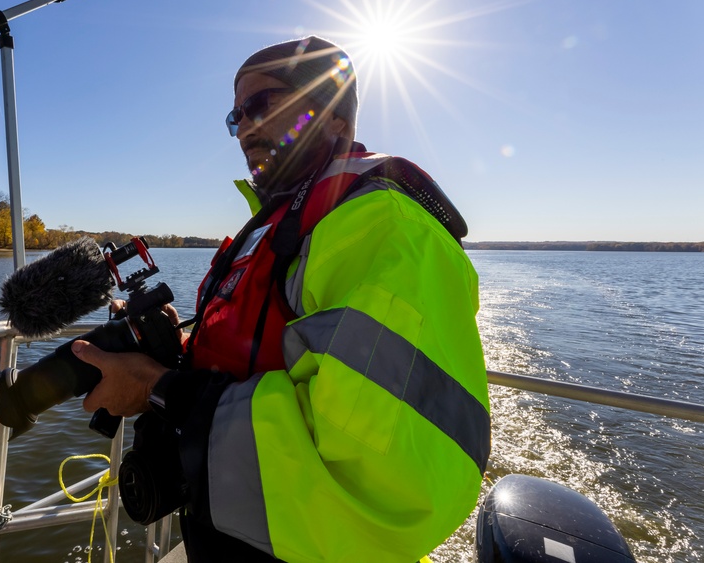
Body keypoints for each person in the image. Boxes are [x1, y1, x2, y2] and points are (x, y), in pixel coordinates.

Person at [71, 36, 490, 562]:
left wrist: (157, 389)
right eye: (235, 115)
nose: (244, 126)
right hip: (236, 532)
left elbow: (367, 472)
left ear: (336, 118)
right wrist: (178, 346)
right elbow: (267, 351)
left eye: (263, 104)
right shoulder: (279, 224)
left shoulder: (385, 229)